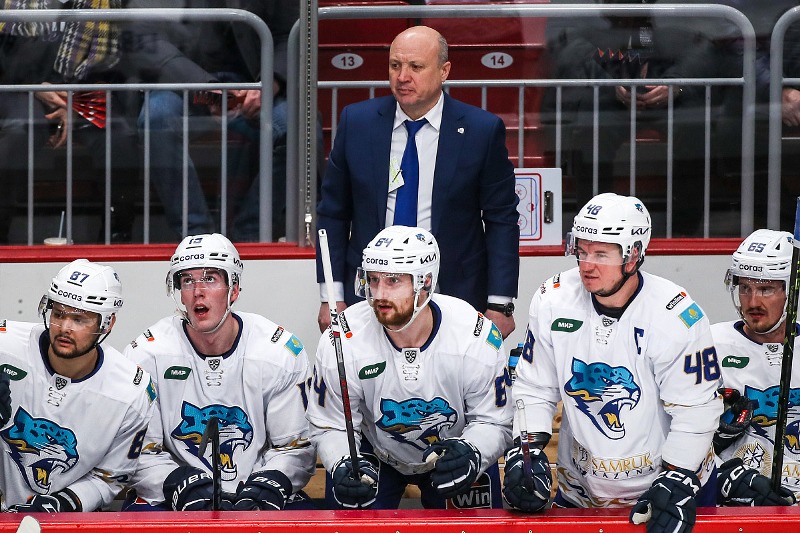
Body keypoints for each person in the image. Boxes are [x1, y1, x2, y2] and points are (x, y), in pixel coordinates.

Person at [506, 193, 722, 533]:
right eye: (581, 250)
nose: (586, 265)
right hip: (581, 491)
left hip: (670, 485)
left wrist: (677, 475)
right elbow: (534, 386)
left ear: (633, 255)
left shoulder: (675, 315)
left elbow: (696, 407)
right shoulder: (553, 299)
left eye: (601, 254)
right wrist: (528, 451)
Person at [315, 25, 520, 339]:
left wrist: (500, 303)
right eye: (395, 65)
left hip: (454, 293)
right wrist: (331, 295)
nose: (402, 77)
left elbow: (501, 218)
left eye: (416, 66)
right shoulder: (357, 123)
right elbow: (333, 214)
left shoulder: (481, 130)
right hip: (370, 293)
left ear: (444, 71)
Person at [307, 225, 513, 510]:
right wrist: (342, 461)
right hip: (374, 451)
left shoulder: (474, 335)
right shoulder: (342, 337)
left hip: (456, 448)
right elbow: (331, 424)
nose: (379, 294)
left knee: (476, 526)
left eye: (393, 281)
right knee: (352, 523)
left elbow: (494, 421)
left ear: (425, 282)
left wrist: (473, 451)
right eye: (373, 279)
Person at [122, 233, 316, 511]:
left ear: (233, 290)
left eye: (210, 279)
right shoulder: (147, 354)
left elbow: (293, 447)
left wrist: (265, 486)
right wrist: (182, 484)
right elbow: (140, 453)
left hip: (254, 488)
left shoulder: (278, 352)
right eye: (187, 280)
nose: (197, 291)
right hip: (174, 494)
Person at [122, 0, 299, 241]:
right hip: (181, 81)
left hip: (254, 80)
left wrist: (270, 82)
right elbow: (142, 34)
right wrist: (203, 86)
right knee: (157, 120)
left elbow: (292, 33)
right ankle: (197, 236)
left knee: (295, 129)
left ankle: (251, 233)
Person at [544, 0, 713, 236]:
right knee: (591, 131)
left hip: (671, 99)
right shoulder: (590, 22)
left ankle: (684, 233)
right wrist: (609, 84)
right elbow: (566, 46)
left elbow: (706, 45)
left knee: (694, 130)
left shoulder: (672, 20)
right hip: (609, 99)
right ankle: (595, 226)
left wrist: (676, 83)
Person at [0, 259, 156, 512]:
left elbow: (109, 477)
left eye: (79, 319)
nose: (64, 328)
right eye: (58, 314)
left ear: (107, 324)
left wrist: (62, 504)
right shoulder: (4, 347)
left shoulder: (131, 391)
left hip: (67, 520)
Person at [0, 0, 140, 243]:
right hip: (23, 85)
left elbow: (115, 63)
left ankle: (116, 237)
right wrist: (36, 85)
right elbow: (6, 55)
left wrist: (73, 100)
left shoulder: (106, 4)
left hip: (84, 88)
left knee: (119, 136)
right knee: (21, 129)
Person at [710, 229, 797, 506]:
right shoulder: (710, 344)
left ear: (791, 291)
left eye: (766, 289)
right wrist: (714, 438)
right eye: (745, 288)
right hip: (736, 505)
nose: (752, 302)